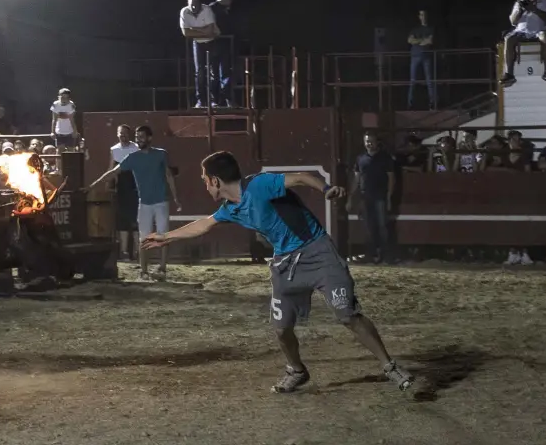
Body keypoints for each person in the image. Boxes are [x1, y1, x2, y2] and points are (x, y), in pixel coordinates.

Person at [141, 151, 414, 394]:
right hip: (285, 263)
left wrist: (326, 188)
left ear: (215, 180)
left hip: (318, 252)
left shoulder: (258, 185)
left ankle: (389, 366)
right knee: (282, 328)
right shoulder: (231, 208)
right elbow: (204, 224)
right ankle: (297, 370)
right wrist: (167, 237)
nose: (204, 184)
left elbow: (301, 178)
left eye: (204, 179)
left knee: (347, 314)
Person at [85, 125, 180, 280]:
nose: (138, 139)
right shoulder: (133, 157)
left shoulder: (161, 154)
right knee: (144, 238)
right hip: (144, 203)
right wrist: (92, 186)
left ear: (149, 138)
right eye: (137, 137)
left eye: (141, 137)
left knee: (163, 236)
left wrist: (175, 197)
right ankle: (144, 271)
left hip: (161, 201)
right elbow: (113, 172)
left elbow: (168, 175)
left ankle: (162, 268)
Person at [350, 131, 395, 263]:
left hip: (381, 196)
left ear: (377, 142)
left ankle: (386, 255)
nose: (369, 144)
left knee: (382, 226)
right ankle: (372, 254)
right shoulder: (360, 159)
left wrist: (389, 197)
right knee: (369, 227)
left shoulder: (385, 158)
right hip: (366, 197)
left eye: (371, 141)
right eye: (367, 141)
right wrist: (351, 197)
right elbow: (356, 180)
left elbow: (391, 179)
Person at [109, 125, 140, 261]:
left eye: (125, 133)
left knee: (136, 221)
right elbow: (111, 169)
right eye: (121, 133)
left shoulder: (136, 148)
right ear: (117, 134)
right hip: (121, 188)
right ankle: (124, 252)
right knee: (122, 221)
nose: (123, 136)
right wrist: (109, 184)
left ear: (130, 134)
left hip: (135, 187)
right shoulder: (114, 150)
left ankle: (138, 252)